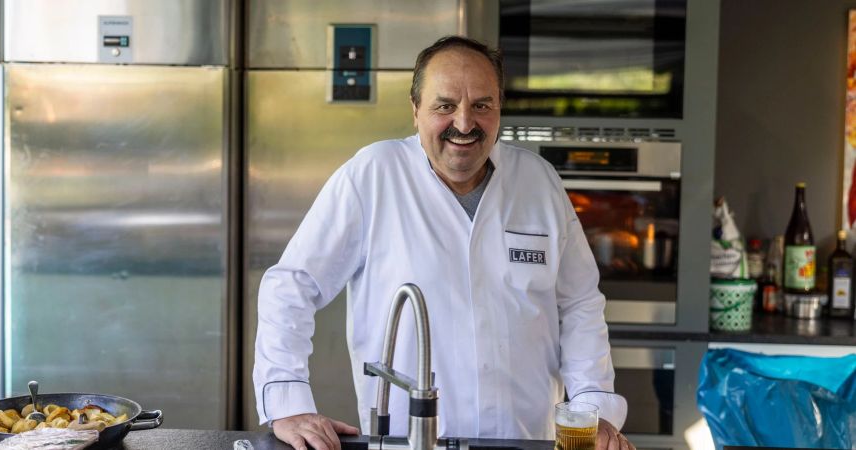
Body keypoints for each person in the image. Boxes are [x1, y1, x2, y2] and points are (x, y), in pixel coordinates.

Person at [254, 35, 634, 450]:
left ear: (499, 109)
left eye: (482, 105)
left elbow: (578, 304)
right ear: (415, 109)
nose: (465, 123)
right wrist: (287, 401)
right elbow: (292, 285)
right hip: (408, 442)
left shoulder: (538, 181)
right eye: (445, 106)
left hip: (526, 441)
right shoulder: (373, 175)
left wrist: (592, 406)